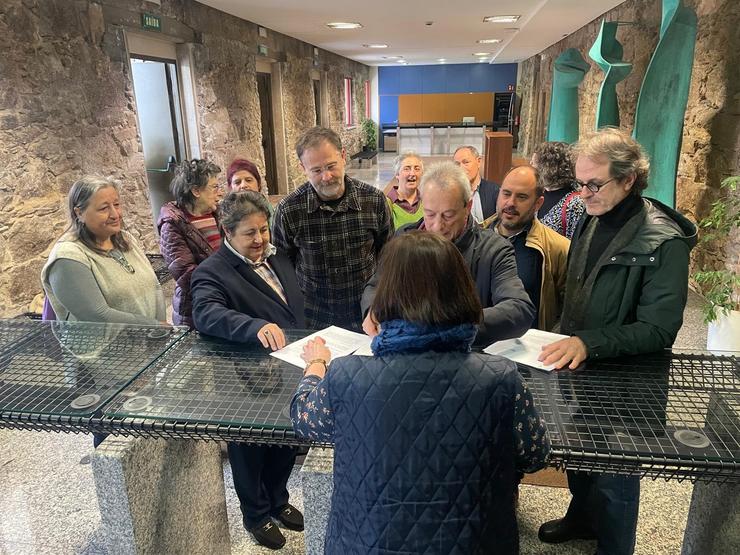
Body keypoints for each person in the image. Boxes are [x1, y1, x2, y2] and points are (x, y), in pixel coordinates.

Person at [291, 231, 550, 554]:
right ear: (462, 291)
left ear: (386, 295)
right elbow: (535, 453)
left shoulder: (347, 375)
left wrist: (316, 364)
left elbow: (305, 421)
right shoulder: (501, 378)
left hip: (366, 543)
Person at [537, 128, 697, 555]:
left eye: (594, 184)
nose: (582, 193)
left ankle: (614, 546)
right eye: (578, 183)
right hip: (583, 368)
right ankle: (583, 519)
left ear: (628, 180)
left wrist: (589, 342)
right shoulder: (592, 216)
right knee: (580, 456)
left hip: (628, 380)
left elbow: (659, 329)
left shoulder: (664, 242)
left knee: (617, 476)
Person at [191, 190, 304, 550]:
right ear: (227, 232)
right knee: (250, 451)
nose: (259, 239)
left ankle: (278, 500)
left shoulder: (278, 258)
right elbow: (206, 313)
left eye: (263, 230)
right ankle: (256, 515)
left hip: (287, 367)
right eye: (249, 234)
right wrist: (253, 326)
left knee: (286, 441)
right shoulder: (213, 271)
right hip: (245, 379)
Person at [41, 175, 166, 448]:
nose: (115, 214)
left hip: (140, 353)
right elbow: (96, 314)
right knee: (115, 437)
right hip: (102, 366)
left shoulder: (125, 240)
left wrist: (158, 324)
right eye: (103, 208)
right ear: (79, 212)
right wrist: (152, 326)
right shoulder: (69, 257)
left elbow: (153, 285)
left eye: (117, 204)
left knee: (145, 431)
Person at [362, 161, 534, 346]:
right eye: (429, 214)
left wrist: (447, 325)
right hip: (407, 353)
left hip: (467, 356)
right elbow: (375, 286)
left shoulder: (493, 249)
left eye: (448, 216)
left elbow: (519, 309)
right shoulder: (404, 239)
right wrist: (372, 310)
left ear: (467, 208)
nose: (437, 226)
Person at [272, 126, 393, 331]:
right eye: (316, 171)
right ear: (303, 168)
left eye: (331, 166)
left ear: (344, 156)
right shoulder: (288, 210)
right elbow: (283, 267)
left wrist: (379, 304)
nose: (326, 176)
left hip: (366, 315)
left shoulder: (374, 200)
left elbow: (388, 256)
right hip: (313, 320)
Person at [482, 165, 570, 331]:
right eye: (506, 193)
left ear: (538, 203)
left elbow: (569, 311)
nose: (510, 203)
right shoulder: (478, 238)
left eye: (521, 197)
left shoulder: (558, 248)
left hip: (528, 351)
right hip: (478, 346)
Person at [157, 159, 222, 328]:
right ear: (196, 191)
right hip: (194, 310)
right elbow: (186, 274)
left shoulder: (219, 214)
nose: (219, 193)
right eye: (214, 187)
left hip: (224, 301)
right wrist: (229, 281)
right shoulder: (172, 224)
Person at [531, 141, 586, 239]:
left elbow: (575, 243)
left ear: (547, 167)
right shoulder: (539, 193)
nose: (530, 166)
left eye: (534, 163)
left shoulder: (575, 203)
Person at [453, 145, 499, 222]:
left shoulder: (495, 191)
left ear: (478, 162)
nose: (461, 168)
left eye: (466, 162)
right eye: (457, 164)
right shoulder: (451, 194)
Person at [386, 151, 424, 227]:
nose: (412, 173)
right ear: (397, 174)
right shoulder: (386, 204)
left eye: (417, 169)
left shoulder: (427, 200)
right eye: (407, 169)